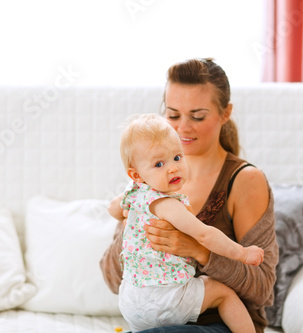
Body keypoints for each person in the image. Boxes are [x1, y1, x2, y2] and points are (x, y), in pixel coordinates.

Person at [100, 58, 279, 333]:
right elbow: (112, 280)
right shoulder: (147, 183)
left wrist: (198, 250)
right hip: (158, 318)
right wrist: (132, 227)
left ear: (225, 113)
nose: (182, 128)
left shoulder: (244, 181)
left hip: (219, 323)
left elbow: (263, 288)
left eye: (197, 116)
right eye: (172, 115)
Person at [113, 113, 264, 332]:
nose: (173, 168)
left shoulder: (133, 193)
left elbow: (111, 208)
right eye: (159, 164)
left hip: (131, 300)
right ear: (136, 174)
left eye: (177, 157)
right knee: (222, 293)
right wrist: (242, 253)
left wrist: (123, 214)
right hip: (165, 300)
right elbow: (204, 235)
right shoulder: (168, 204)